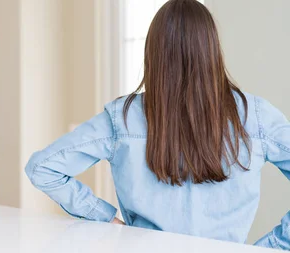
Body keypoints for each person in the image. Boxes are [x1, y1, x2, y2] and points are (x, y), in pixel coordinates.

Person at [24, 0, 289, 250]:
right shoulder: (256, 116)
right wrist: (270, 248)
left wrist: (106, 220)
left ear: (153, 54)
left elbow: (42, 167)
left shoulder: (122, 118)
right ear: (212, 51)